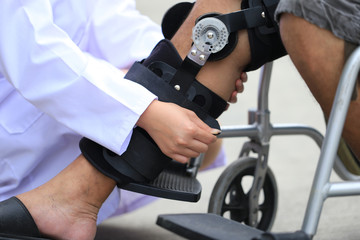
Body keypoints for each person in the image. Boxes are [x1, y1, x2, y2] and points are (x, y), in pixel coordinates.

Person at [0, 0, 245, 239]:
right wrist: (145, 109)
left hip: (50, 90)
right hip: (20, 102)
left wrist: (182, 71)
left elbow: (110, 18)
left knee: (205, 143)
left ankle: (76, 199)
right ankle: (68, 200)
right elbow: (26, 47)